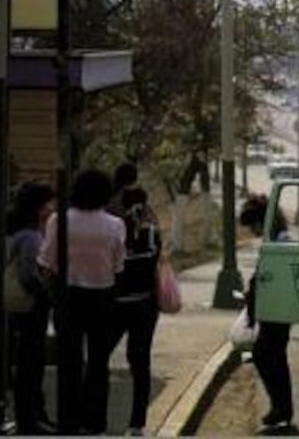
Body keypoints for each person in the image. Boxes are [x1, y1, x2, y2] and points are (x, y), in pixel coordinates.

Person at [38, 169, 126, 434]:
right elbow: (118, 264)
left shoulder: (59, 220)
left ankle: (69, 421)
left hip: (68, 296)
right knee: (99, 362)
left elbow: (46, 261)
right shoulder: (115, 224)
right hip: (102, 295)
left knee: (69, 361)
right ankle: (96, 422)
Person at [106, 187, 163, 436]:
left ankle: (95, 417)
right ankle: (137, 424)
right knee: (140, 364)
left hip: (116, 305)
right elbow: (153, 260)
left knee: (99, 358)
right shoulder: (151, 232)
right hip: (144, 305)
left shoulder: (114, 229)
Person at [239, 194, 294, 429]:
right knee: (275, 356)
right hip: (276, 306)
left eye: (253, 225)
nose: (253, 231)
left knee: (264, 354)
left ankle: (281, 407)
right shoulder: (277, 238)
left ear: (263, 220)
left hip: (278, 307)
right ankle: (281, 408)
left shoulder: (280, 242)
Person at [6, 182, 56, 435]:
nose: (53, 208)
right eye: (49, 203)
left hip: (21, 309)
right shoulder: (30, 236)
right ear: (39, 207)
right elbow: (28, 274)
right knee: (30, 366)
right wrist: (46, 293)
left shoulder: (21, 232)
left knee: (29, 365)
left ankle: (36, 415)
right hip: (29, 309)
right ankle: (29, 420)